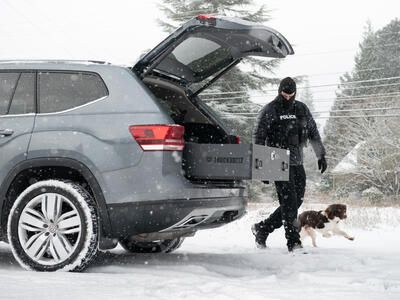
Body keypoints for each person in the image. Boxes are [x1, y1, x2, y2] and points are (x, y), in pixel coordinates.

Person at [251, 77, 327, 252]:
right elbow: (259, 138)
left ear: (295, 93)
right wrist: (261, 168)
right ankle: (293, 242)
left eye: (290, 94)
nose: (287, 97)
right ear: (279, 91)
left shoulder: (301, 108)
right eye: (284, 94)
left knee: (296, 200)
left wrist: (321, 155)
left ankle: (263, 228)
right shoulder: (270, 110)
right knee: (290, 202)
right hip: (276, 159)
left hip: (296, 160)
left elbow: (313, 131)